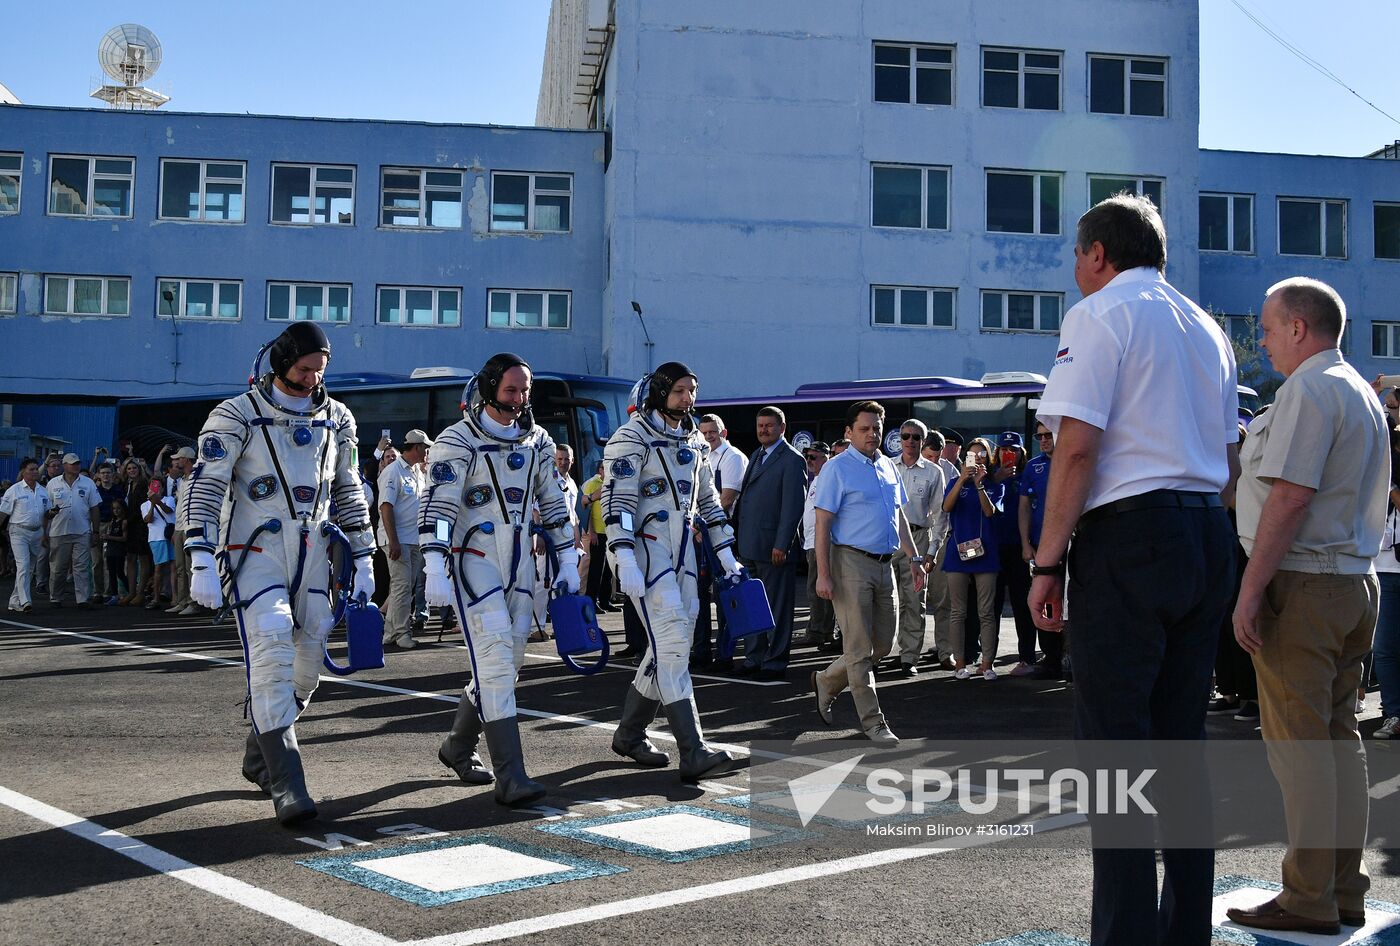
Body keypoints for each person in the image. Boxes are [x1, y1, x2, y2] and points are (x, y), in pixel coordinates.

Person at [1030, 193, 1238, 946]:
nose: (1076, 268)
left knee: (1115, 752)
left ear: (1096, 253)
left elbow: (1077, 448)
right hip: (1204, 530)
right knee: (1182, 744)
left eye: (1076, 255)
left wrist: (1047, 561)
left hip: (1131, 536)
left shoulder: (1099, 315)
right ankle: (1185, 933)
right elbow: (1231, 459)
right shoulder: (1207, 327)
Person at [1227, 278, 1386, 936]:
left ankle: (1308, 897)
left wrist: (1250, 588)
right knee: (1337, 745)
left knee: (1302, 754)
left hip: (1306, 583)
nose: (1262, 342)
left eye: (1267, 328)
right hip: (1352, 581)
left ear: (1299, 327)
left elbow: (1290, 497)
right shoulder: (1358, 391)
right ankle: (1341, 889)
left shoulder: (1311, 389)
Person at [181, 322, 376, 826]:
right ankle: (288, 782)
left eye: (320, 370)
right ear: (280, 362)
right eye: (304, 368)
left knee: (308, 665)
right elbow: (206, 484)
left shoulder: (338, 420)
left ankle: (258, 752)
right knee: (270, 646)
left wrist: (365, 555)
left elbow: (350, 489)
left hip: (313, 553)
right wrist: (200, 553)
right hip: (255, 552)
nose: (313, 379)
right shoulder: (236, 416)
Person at [421, 352, 579, 807]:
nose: (520, 398)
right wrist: (434, 561)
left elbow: (553, 504)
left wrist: (568, 557)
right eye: (511, 390)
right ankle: (511, 776)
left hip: (520, 567)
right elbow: (441, 506)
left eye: (525, 390)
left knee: (508, 667)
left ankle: (457, 745)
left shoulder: (539, 442)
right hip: (476, 563)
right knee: (493, 661)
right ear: (490, 389)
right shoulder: (457, 441)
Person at [603, 361, 741, 781]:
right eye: (680, 390)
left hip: (682, 552)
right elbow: (618, 503)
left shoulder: (695, 440)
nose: (688, 398)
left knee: (668, 644)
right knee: (674, 644)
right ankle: (693, 749)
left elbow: (709, 502)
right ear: (660, 392)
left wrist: (725, 554)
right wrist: (623, 556)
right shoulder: (631, 438)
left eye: (692, 390)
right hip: (645, 551)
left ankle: (629, 733)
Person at [810, 400, 925, 745]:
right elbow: (822, 524)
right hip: (850, 563)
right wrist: (823, 574)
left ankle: (828, 680)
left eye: (876, 427)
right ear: (848, 432)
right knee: (859, 650)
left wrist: (915, 558)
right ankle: (874, 723)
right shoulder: (836, 468)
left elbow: (899, 516)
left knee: (881, 645)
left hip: (884, 564)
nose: (871, 434)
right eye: (864, 428)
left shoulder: (889, 466)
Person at [731, 406, 806, 680]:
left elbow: (793, 506)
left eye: (769, 426)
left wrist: (782, 543)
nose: (763, 430)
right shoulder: (757, 454)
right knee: (754, 606)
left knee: (777, 608)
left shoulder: (793, 460)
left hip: (774, 548)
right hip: (750, 544)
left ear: (782, 428)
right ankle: (754, 659)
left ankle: (774, 663)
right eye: (760, 425)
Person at [940, 437, 1003, 680]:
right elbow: (946, 507)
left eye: (982, 455)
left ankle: (987, 664)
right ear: (965, 457)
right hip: (958, 552)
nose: (977, 459)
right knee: (958, 612)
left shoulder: (994, 484)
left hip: (985, 553)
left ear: (988, 459)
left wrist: (978, 485)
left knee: (986, 612)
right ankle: (960, 664)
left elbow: (990, 512)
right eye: (972, 454)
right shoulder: (956, 481)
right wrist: (963, 480)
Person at [891, 419, 946, 676]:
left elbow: (939, 515)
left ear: (924, 441)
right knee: (883, 601)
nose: (910, 441)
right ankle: (877, 653)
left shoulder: (934, 472)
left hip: (919, 538)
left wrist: (932, 550)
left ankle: (909, 657)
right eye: (906, 436)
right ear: (899, 438)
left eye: (916, 437)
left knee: (914, 600)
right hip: (888, 539)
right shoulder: (887, 466)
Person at [1018, 423, 1063, 678]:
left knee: (1070, 601)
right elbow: (1024, 507)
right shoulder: (1033, 467)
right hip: (1040, 545)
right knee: (1043, 599)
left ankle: (1070, 655)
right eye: (1040, 436)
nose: (1043, 440)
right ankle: (1050, 657)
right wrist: (1025, 543)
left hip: (1071, 543)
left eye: (1049, 435)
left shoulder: (1072, 460)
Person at [379, 429, 431, 650]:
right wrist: (394, 541)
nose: (428, 451)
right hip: (398, 539)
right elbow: (385, 506)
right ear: (417, 447)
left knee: (403, 587)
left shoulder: (417, 472)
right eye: (425, 447)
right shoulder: (393, 472)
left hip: (413, 539)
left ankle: (390, 633)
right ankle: (401, 633)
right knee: (402, 586)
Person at [991, 432, 1037, 676]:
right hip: (993, 549)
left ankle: (1027, 657)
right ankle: (987, 658)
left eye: (1015, 449)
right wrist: (995, 479)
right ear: (997, 452)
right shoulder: (988, 475)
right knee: (991, 605)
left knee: (1022, 604)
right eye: (1005, 449)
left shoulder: (1028, 473)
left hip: (1020, 548)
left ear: (1022, 452)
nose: (1010, 453)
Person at [46, 452, 101, 609]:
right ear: (64, 465)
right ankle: (55, 597)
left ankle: (82, 599)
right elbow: (46, 510)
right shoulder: (53, 484)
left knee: (81, 566)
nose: (76, 466)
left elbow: (95, 507)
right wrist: (50, 515)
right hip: (58, 531)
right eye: (72, 463)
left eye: (77, 463)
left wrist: (95, 531)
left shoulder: (88, 483)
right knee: (58, 567)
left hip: (82, 530)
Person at [799, 442, 838, 651]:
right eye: (808, 457)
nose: (809, 462)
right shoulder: (815, 480)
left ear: (826, 458)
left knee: (817, 588)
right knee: (814, 588)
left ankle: (819, 631)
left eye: (813, 458)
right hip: (811, 541)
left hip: (821, 541)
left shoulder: (828, 478)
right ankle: (820, 630)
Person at [0, 458, 51, 612]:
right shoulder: (14, 490)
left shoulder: (43, 490)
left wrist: (52, 515)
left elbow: (47, 513)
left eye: (36, 469)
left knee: (29, 569)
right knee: (23, 565)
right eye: (31, 469)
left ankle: (14, 601)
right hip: (18, 531)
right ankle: (25, 602)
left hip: (37, 532)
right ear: (23, 471)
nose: (35, 471)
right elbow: (3, 513)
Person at [164, 446, 198, 615]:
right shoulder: (183, 480)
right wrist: (176, 530)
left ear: (185, 459)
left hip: (191, 527)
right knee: (179, 566)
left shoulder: (196, 478)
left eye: (177, 459)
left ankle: (194, 602)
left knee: (190, 567)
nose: (174, 462)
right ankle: (182, 600)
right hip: (179, 527)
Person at [580, 460, 616, 613]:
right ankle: (592, 601)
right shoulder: (592, 484)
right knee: (596, 570)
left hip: (610, 532)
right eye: (603, 468)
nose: (606, 471)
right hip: (598, 533)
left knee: (609, 569)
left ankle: (605, 600)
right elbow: (585, 510)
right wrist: (591, 532)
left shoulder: (613, 484)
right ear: (599, 470)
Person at [141, 479, 177, 610]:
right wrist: (152, 503)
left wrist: (158, 502)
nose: (156, 489)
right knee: (158, 568)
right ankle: (155, 597)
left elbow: (168, 511)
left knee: (174, 567)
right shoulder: (144, 505)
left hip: (170, 536)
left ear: (162, 488)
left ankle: (175, 598)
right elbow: (148, 519)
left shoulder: (169, 499)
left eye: (158, 487)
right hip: (156, 538)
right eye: (153, 487)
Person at [101, 497, 128, 604]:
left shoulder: (124, 522)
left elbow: (124, 538)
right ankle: (114, 595)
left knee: (120, 573)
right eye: (114, 508)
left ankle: (131, 590)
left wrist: (109, 537)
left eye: (118, 508)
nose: (116, 511)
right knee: (111, 573)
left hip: (119, 550)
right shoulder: (112, 521)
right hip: (110, 550)